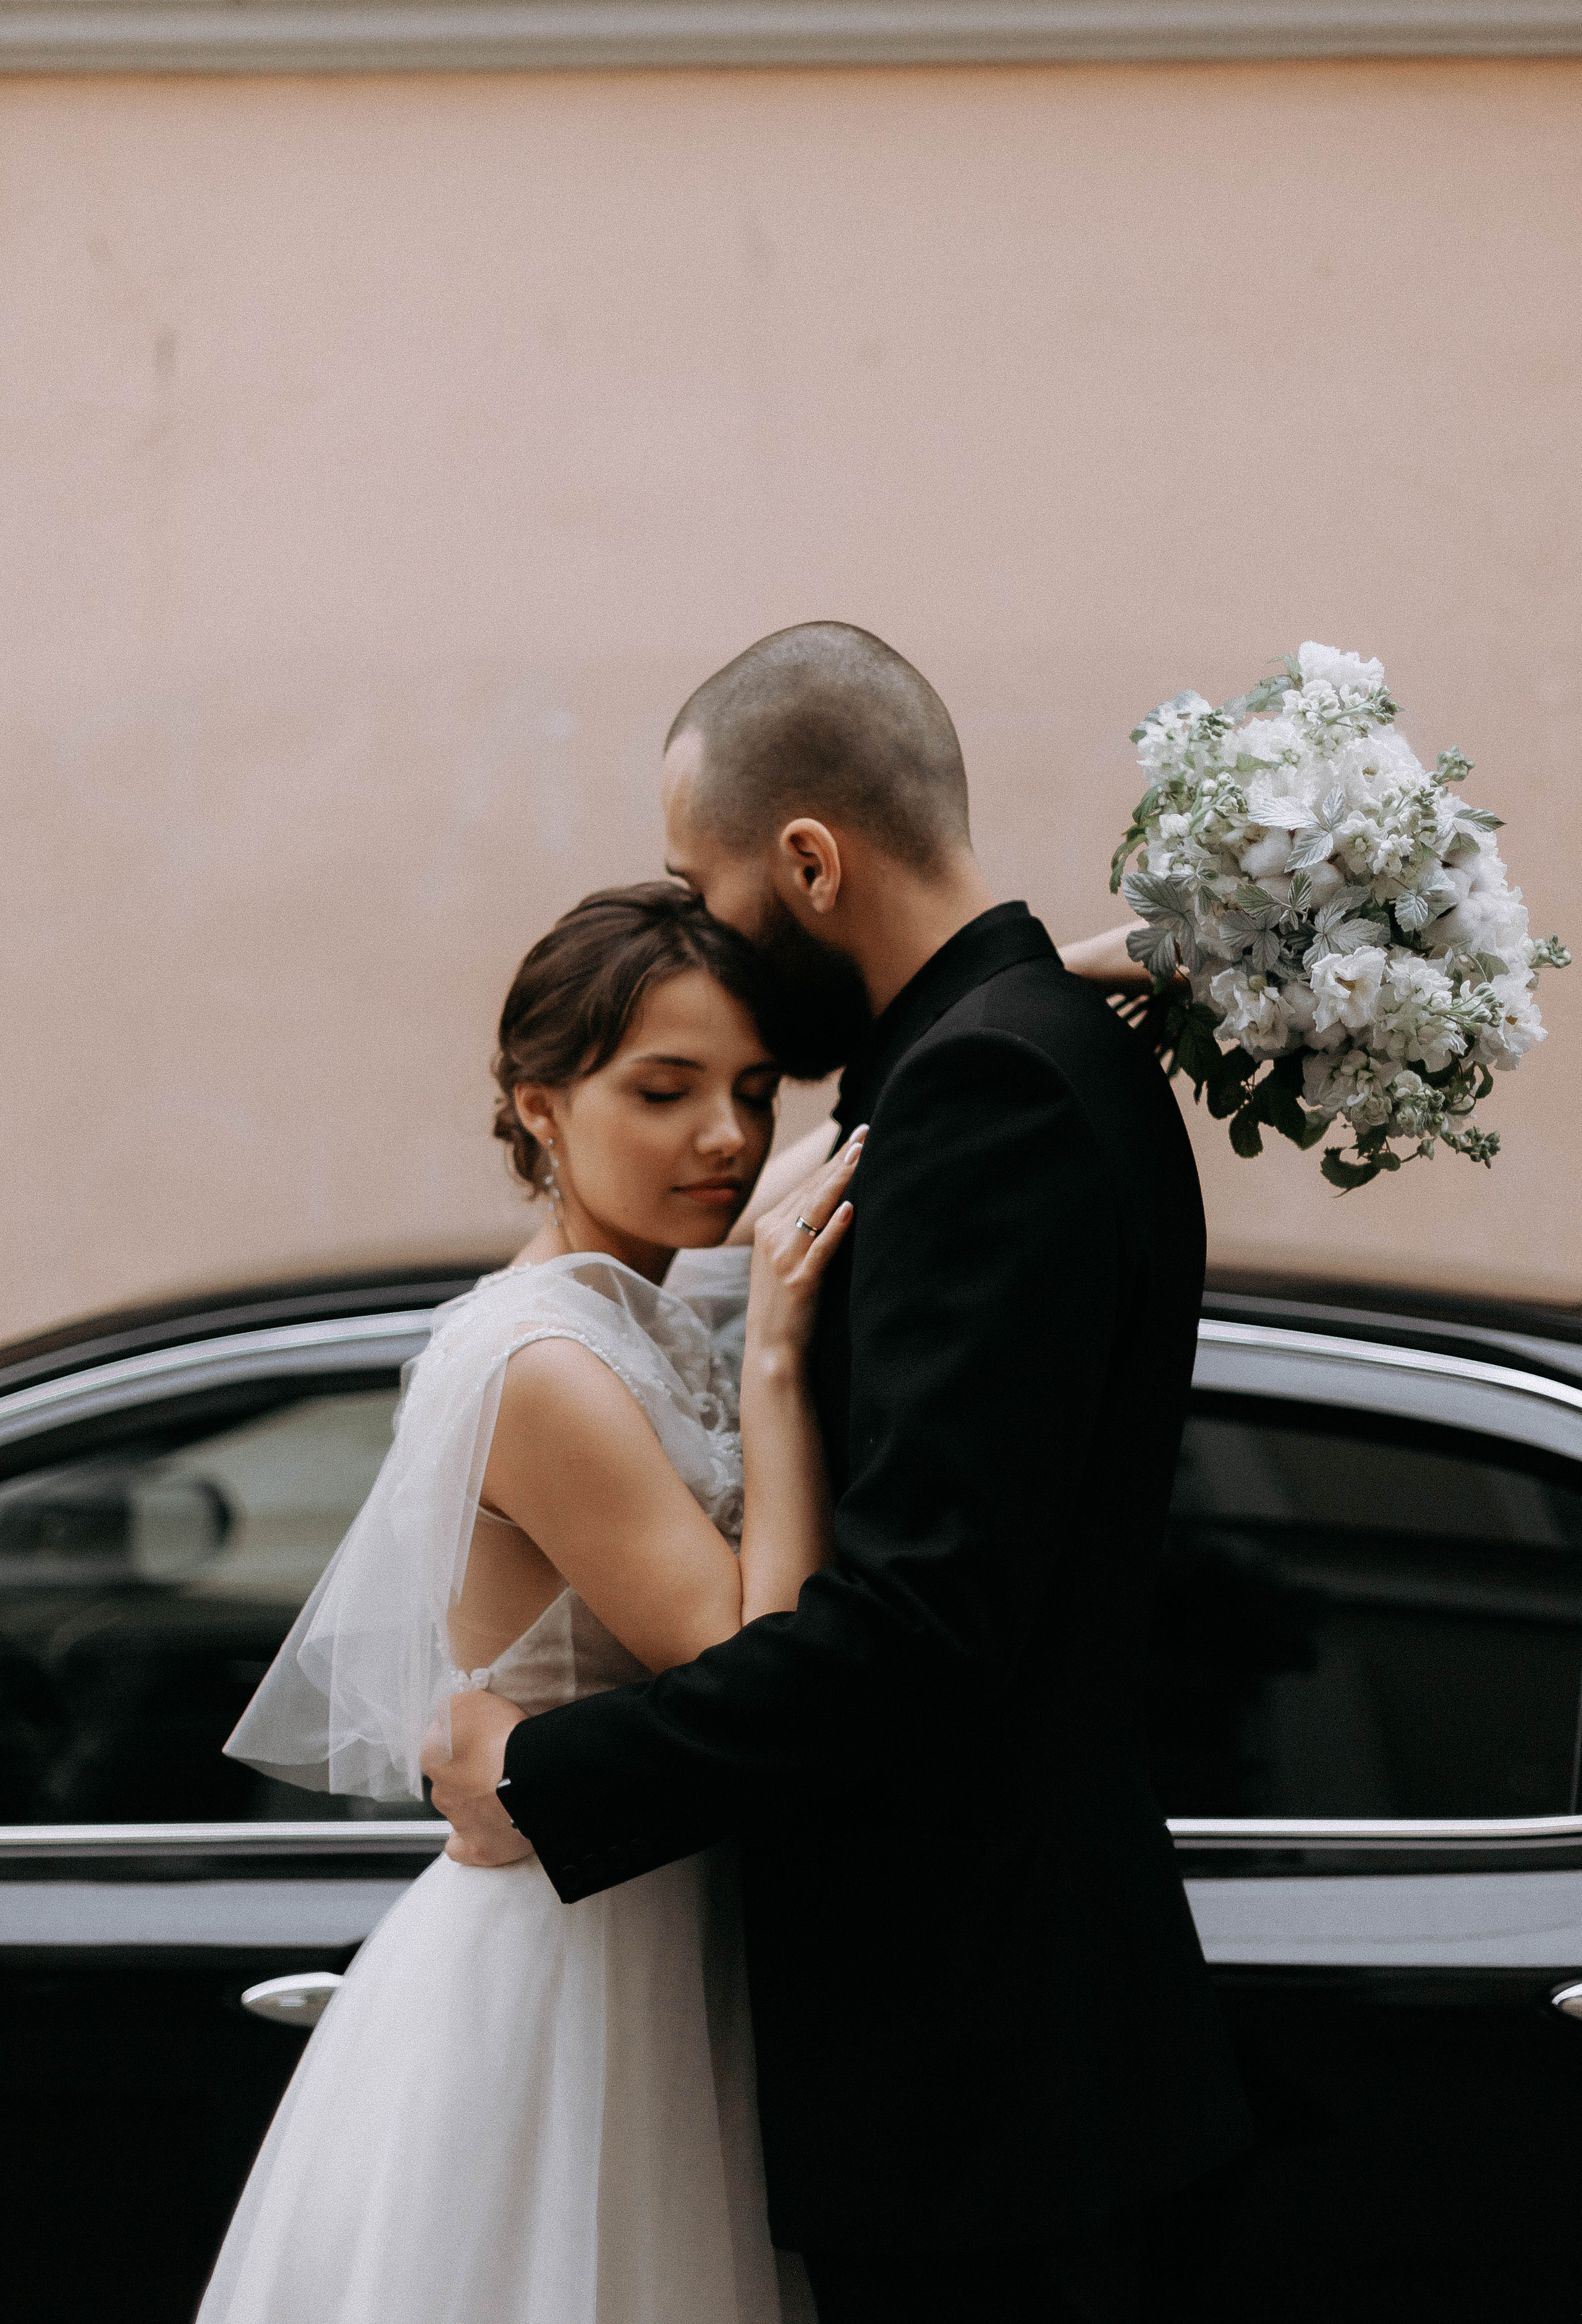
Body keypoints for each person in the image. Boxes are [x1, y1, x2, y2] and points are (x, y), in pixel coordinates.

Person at [432, 623, 1251, 2324]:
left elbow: (920, 1623)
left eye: (703, 878)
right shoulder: (996, 1060)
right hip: (998, 2060)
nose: (697, 925)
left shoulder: (988, 1096)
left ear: (808, 861)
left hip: (978, 2073)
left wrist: (551, 1773)